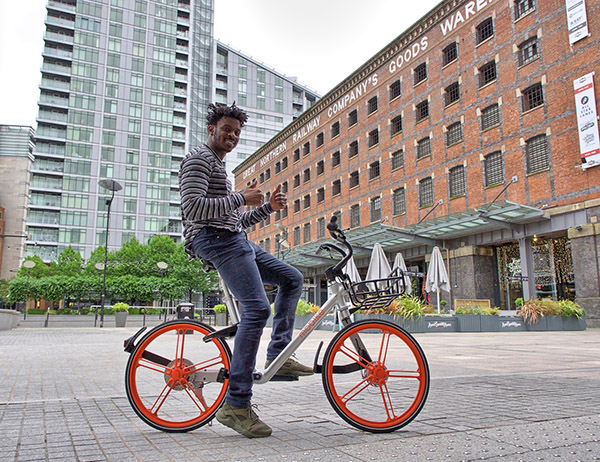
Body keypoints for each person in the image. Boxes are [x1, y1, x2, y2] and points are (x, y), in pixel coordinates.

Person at [179, 102, 313, 438]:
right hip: (214, 241)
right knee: (256, 309)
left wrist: (266, 208)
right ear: (212, 130)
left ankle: (279, 355)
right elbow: (193, 207)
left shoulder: (220, 168)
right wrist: (241, 198)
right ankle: (236, 404)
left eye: (237, 132)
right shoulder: (198, 159)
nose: (232, 136)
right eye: (227, 130)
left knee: (291, 278)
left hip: (232, 237)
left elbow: (234, 219)